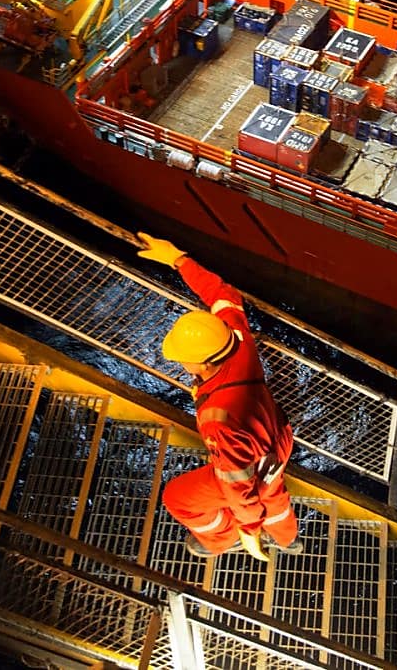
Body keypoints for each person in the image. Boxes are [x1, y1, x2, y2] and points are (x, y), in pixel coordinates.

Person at [137, 231, 303, 560]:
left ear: (204, 362)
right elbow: (223, 295)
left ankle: (220, 539)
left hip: (248, 460)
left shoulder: (219, 419)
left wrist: (249, 531)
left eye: (183, 358)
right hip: (276, 443)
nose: (180, 362)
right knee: (274, 492)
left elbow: (237, 485)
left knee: (178, 498)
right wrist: (178, 259)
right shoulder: (237, 340)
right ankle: (287, 539)